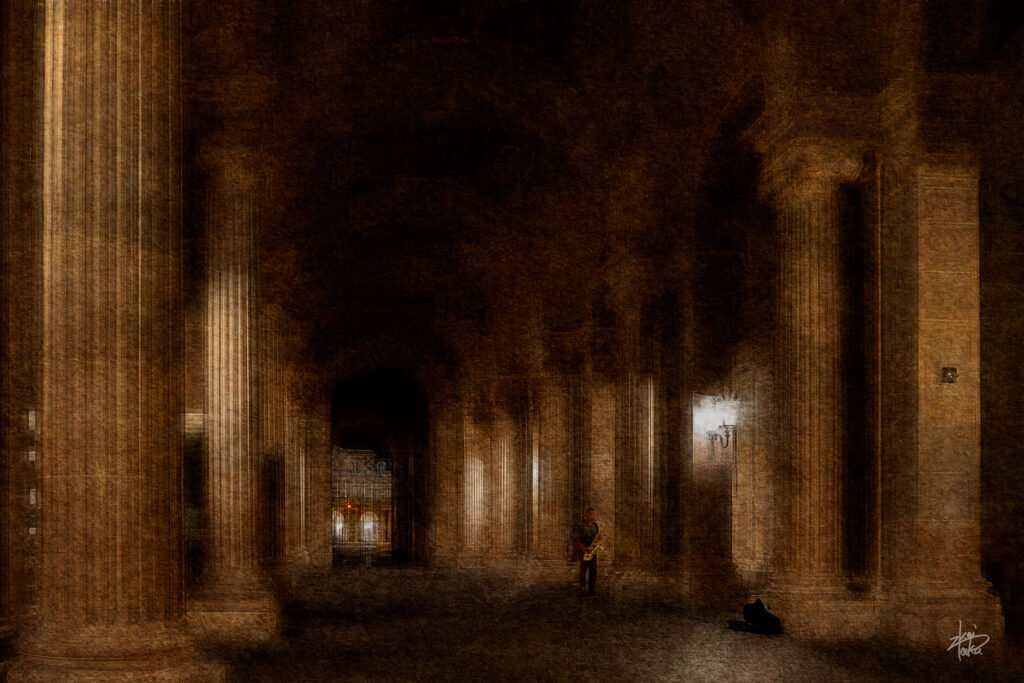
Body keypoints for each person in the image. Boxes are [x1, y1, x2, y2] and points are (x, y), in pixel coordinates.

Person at [572, 507, 600, 596]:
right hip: (583, 550)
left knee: (593, 571)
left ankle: (592, 589)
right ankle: (582, 589)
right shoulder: (580, 525)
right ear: (588, 515)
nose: (596, 515)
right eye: (594, 514)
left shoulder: (595, 525)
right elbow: (575, 539)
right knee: (583, 570)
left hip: (592, 550)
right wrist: (584, 548)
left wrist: (597, 543)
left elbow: (598, 537)